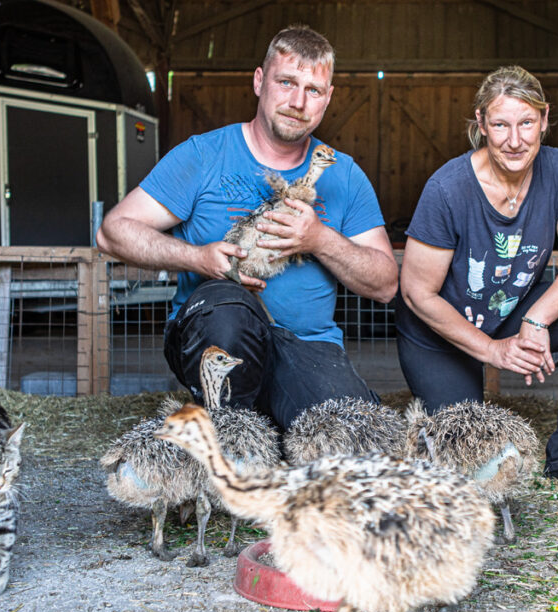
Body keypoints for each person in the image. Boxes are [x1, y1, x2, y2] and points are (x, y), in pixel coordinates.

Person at [96, 25, 397, 431]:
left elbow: (384, 284)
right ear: (259, 81)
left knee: (354, 436)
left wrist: (319, 238)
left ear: (327, 98)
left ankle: (266, 425)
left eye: (312, 90)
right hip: (218, 329)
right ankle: (233, 440)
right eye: (286, 82)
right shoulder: (203, 155)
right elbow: (112, 231)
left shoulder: (344, 175)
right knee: (228, 310)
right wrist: (199, 258)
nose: (297, 101)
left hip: (308, 345)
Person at [395, 66, 558, 495]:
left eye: (526, 123)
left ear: (544, 119)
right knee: (470, 456)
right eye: (501, 125)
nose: (515, 140)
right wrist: (492, 351)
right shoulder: (448, 189)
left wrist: (536, 320)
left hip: (508, 308)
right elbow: (416, 292)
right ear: (481, 124)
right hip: (441, 328)